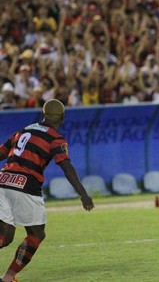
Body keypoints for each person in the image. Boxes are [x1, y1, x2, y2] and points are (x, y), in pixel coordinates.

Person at [0, 99, 95, 282]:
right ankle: (8, 277)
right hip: (26, 186)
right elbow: (66, 166)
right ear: (62, 118)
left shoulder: (23, 131)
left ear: (43, 115)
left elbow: (1, 153)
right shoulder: (55, 138)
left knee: (5, 235)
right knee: (36, 234)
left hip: (3, 181)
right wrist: (83, 194)